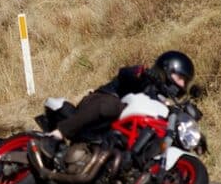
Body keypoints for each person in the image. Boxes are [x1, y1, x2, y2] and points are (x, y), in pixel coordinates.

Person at [39, 50, 195, 151]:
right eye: (180, 78)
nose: (181, 84)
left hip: (117, 131)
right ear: (167, 69)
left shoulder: (162, 102)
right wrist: (141, 73)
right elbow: (125, 73)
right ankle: (57, 134)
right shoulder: (144, 78)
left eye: (185, 82)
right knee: (112, 105)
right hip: (99, 103)